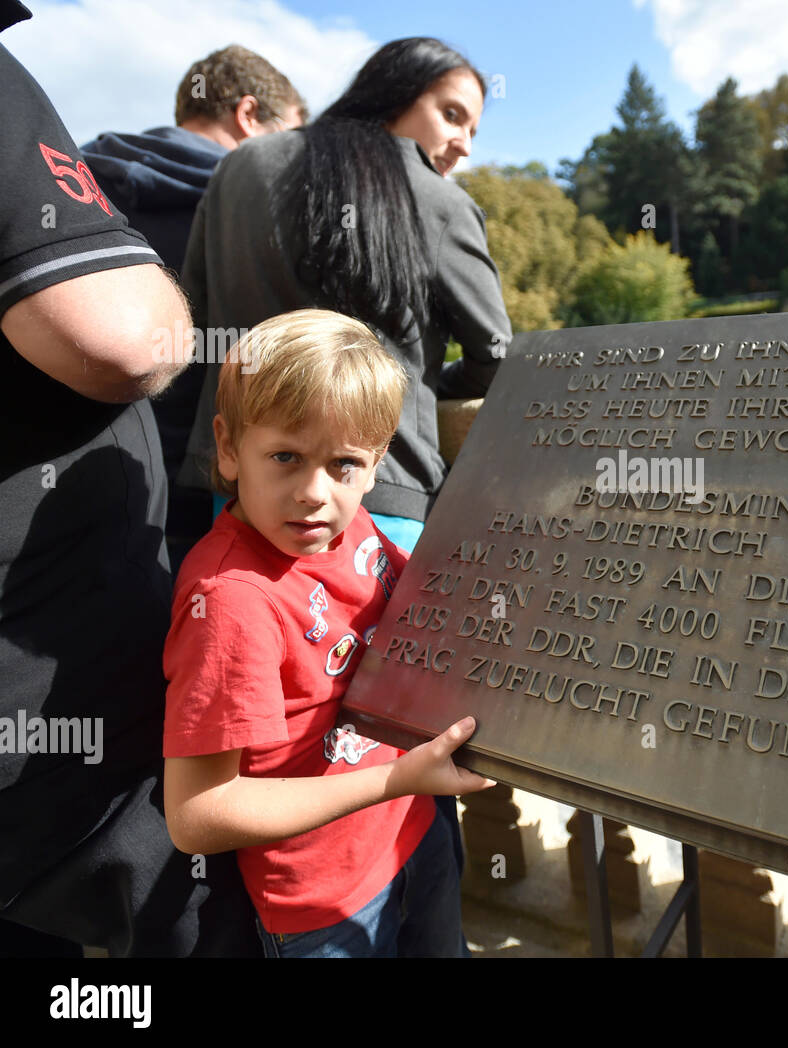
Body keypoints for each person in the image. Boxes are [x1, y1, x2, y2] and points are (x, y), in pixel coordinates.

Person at [0, 0, 260, 957]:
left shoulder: (105, 162)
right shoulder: (249, 189)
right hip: (62, 704)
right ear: (247, 116)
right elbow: (120, 339)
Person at [162, 309, 492, 957]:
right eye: (285, 456)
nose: (314, 493)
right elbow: (196, 815)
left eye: (343, 464)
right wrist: (397, 781)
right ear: (228, 448)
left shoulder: (353, 528)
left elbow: (419, 616)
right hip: (326, 900)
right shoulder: (232, 601)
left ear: (375, 466)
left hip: (413, 832)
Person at [178, 37, 512, 556]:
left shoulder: (242, 166)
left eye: (472, 129)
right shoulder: (441, 203)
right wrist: (417, 384)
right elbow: (496, 357)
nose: (464, 144)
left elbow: (192, 327)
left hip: (237, 497)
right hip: (376, 500)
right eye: (451, 115)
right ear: (396, 93)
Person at [81, 45, 305, 571]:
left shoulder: (71, 178)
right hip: (190, 490)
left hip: (49, 468)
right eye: (291, 135)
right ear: (249, 115)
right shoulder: (261, 216)